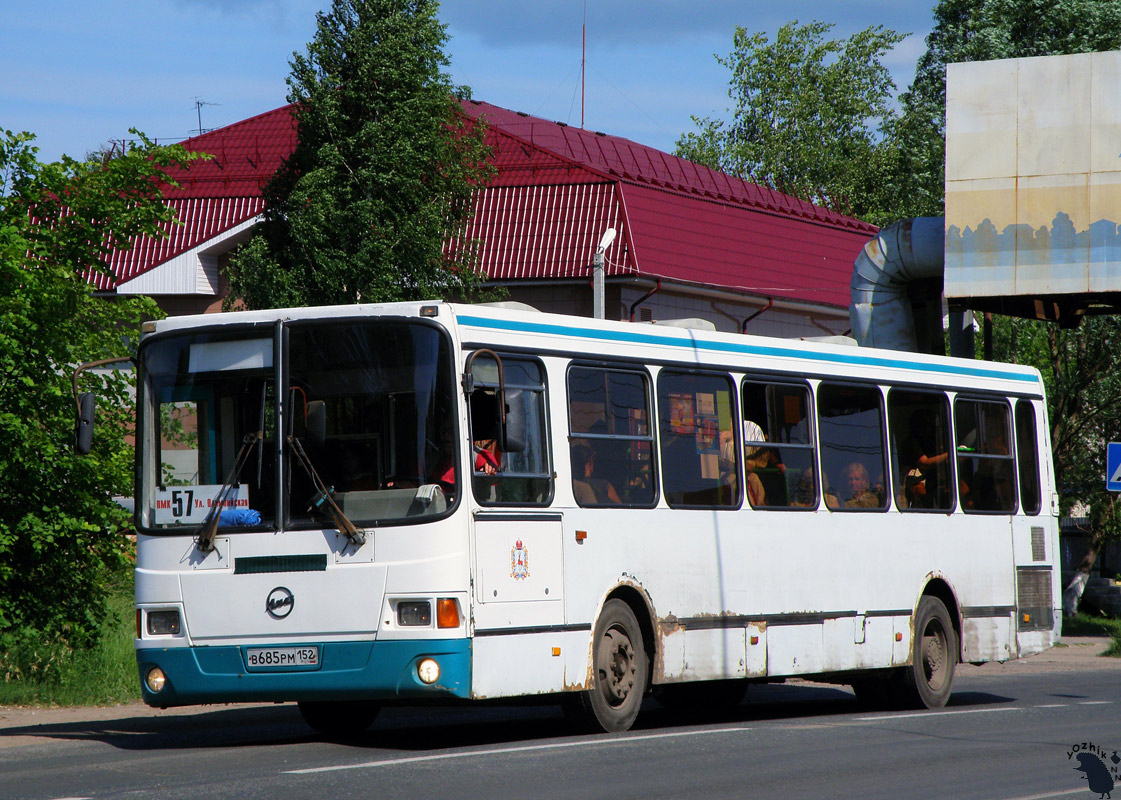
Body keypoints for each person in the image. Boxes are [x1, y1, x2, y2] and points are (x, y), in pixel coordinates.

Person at [899, 408, 949, 509]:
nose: (928, 429)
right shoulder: (911, 443)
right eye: (924, 425)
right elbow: (925, 463)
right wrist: (950, 454)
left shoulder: (928, 443)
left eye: (930, 425)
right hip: (912, 485)